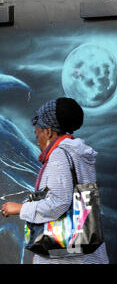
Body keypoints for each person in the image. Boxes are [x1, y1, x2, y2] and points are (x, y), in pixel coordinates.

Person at [1, 98, 109, 264]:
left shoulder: (59, 156)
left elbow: (58, 202)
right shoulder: (79, 154)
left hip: (65, 257)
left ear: (49, 132)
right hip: (85, 251)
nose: (36, 136)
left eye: (38, 130)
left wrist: (20, 208)